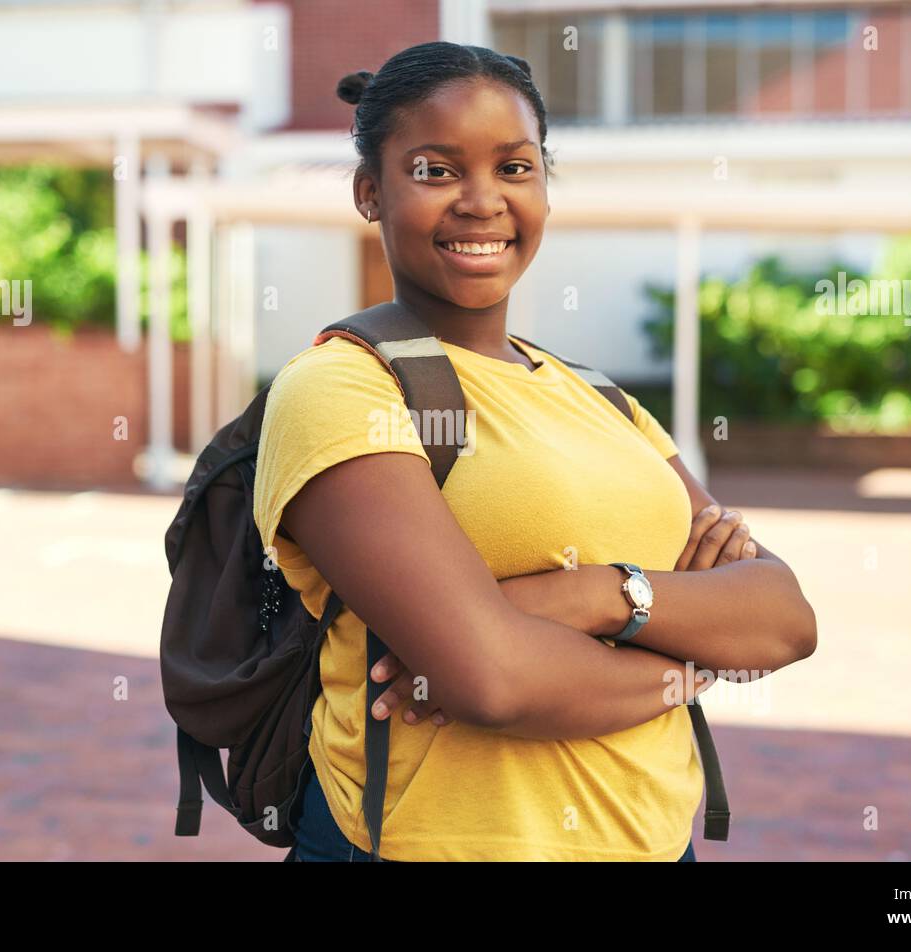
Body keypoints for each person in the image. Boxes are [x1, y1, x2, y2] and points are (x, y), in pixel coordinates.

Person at [253, 41, 818, 862]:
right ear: (370, 194)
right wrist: (692, 661)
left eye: (515, 168)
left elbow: (784, 617)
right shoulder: (341, 389)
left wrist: (593, 598)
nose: (482, 202)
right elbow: (494, 681)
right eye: (436, 171)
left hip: (661, 846)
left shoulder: (600, 396)